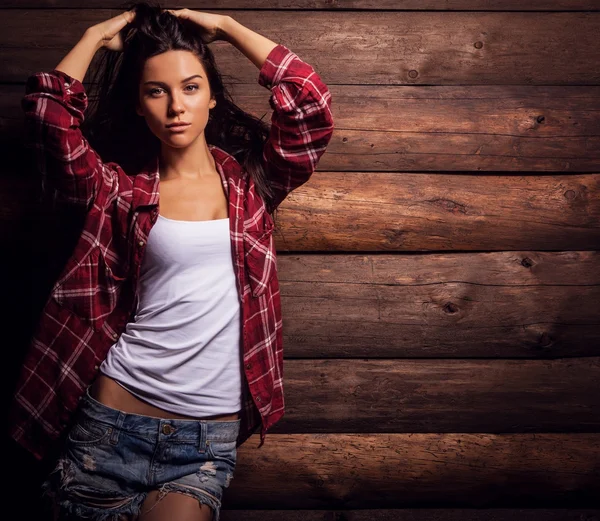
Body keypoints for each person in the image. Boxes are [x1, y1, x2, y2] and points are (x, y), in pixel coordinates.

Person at [8, 2, 334, 520]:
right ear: (140, 104)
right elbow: (50, 119)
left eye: (190, 87)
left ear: (211, 96)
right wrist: (93, 37)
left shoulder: (253, 186)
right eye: (156, 91)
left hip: (205, 442)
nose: (175, 106)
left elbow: (310, 107)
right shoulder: (118, 190)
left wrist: (227, 29)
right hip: (111, 425)